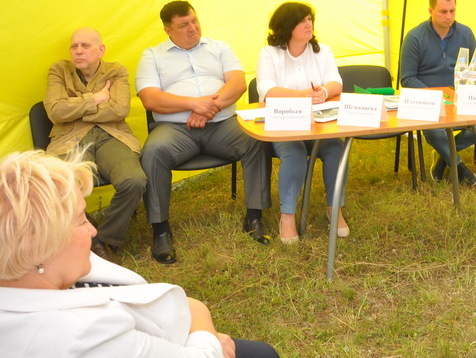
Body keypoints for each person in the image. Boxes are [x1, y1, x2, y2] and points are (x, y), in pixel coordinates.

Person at [0, 148, 280, 358]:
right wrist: (201, 321)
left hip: (167, 331)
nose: (93, 231)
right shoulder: (78, 334)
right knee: (263, 354)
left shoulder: (42, 268)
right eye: (81, 219)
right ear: (37, 245)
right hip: (183, 338)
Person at [136, 1, 272, 264]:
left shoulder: (218, 47)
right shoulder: (152, 56)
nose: (193, 28)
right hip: (175, 130)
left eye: (194, 20)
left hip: (222, 125)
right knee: (153, 151)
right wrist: (193, 104)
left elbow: (237, 83)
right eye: (183, 25)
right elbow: (150, 99)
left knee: (255, 139)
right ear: (167, 30)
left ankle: (254, 217)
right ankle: (161, 230)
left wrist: (207, 109)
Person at [43, 27, 147, 264]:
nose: (78, 51)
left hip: (112, 134)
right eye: (74, 46)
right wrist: (95, 98)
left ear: (101, 50)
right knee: (62, 186)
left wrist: (75, 109)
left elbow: (119, 110)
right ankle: (95, 245)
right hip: (70, 138)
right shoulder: (59, 71)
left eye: (85, 46)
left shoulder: (116, 71)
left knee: (134, 180)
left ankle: (104, 239)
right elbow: (55, 111)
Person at [256, 2, 348, 242]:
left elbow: (336, 82)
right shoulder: (269, 53)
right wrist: (302, 96)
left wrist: (323, 92)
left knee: (336, 149)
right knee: (295, 153)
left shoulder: (322, 51)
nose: (309, 24)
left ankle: (334, 208)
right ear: (287, 26)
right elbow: (266, 90)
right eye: (302, 20)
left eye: (310, 19)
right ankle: (287, 216)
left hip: (318, 126)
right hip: (284, 126)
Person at [399, 0, 476, 186]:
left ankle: (443, 157)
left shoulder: (465, 33)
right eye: (443, 11)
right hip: (429, 102)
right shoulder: (415, 37)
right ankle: (458, 165)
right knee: (435, 131)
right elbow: (407, 78)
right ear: (430, 11)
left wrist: (471, 80)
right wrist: (439, 96)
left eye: (452, 11)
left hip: (459, 98)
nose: (449, 16)